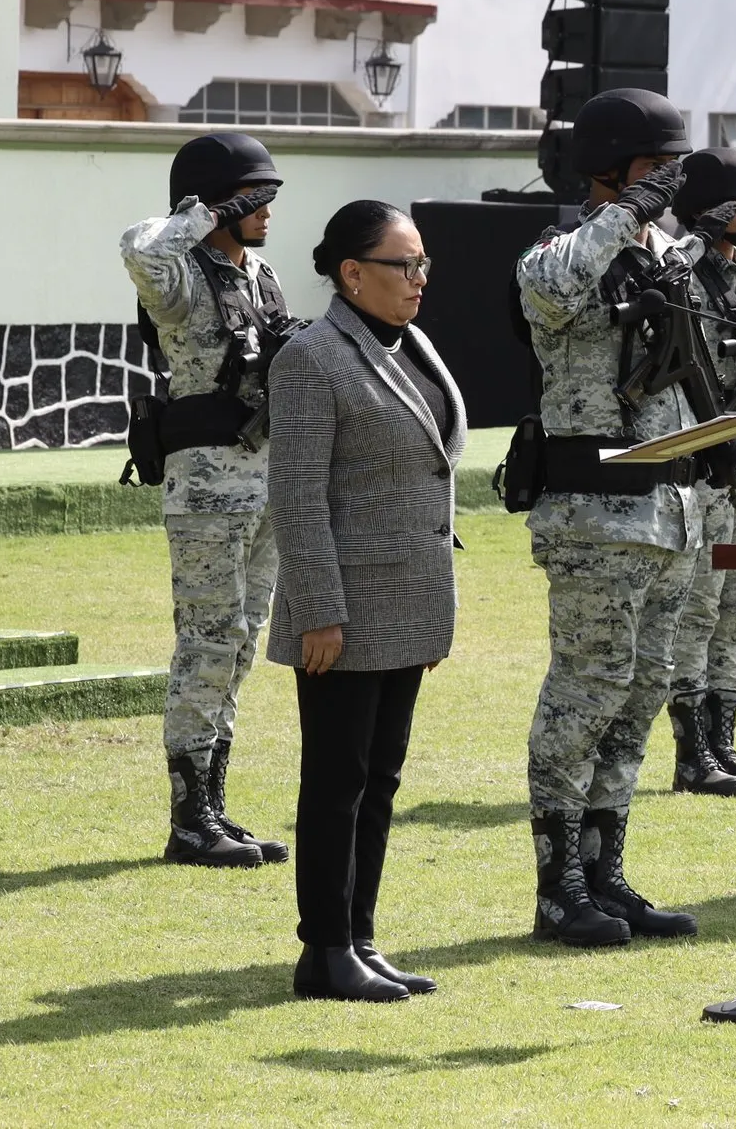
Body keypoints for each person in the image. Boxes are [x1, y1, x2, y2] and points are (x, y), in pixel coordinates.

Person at [516, 88, 710, 948]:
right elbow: (551, 292)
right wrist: (622, 212)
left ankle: (605, 873)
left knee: (640, 694)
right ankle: (558, 887)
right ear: (608, 170)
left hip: (668, 510)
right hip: (595, 516)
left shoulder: (663, 256)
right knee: (585, 692)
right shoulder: (560, 251)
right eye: (652, 166)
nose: (670, 179)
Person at [266, 200, 466, 1003]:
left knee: (380, 778)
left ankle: (360, 936)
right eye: (402, 265)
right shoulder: (312, 359)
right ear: (351, 274)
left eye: (423, 265)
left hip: (407, 602)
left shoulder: (406, 341)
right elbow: (298, 496)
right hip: (342, 612)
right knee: (337, 778)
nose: (419, 280)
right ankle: (323, 951)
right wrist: (318, 607)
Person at [121, 133, 299, 870]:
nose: (266, 211)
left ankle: (214, 806)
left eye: (269, 197)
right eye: (253, 198)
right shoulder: (180, 275)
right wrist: (207, 212)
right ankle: (189, 819)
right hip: (205, 490)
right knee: (205, 641)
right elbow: (139, 248)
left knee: (240, 642)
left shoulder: (263, 277)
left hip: (266, 481)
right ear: (215, 200)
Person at [662, 147, 736, 798]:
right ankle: (692, 752)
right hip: (705, 464)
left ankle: (724, 741)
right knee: (699, 606)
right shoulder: (678, 269)